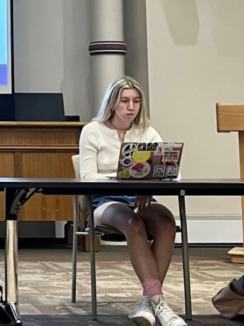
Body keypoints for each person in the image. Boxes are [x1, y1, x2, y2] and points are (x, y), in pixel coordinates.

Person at [79, 76, 185, 326]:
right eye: (125, 101)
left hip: (139, 197)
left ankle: (148, 302)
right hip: (104, 202)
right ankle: (159, 302)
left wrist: (149, 183)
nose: (131, 107)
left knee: (166, 221)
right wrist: (121, 179)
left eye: (136, 101)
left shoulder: (147, 132)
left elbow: (174, 173)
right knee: (133, 223)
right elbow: (88, 177)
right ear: (112, 104)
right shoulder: (92, 131)